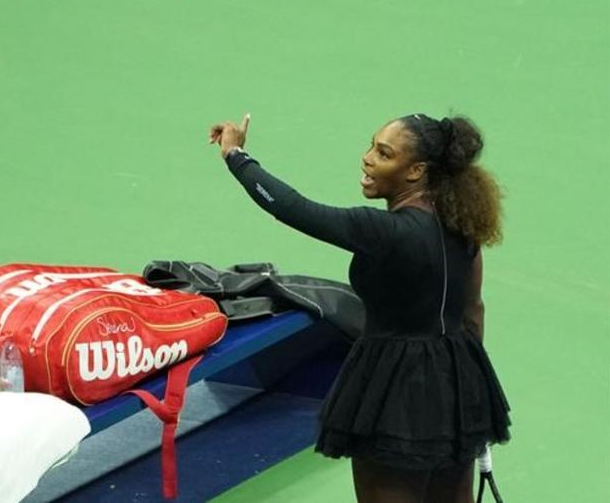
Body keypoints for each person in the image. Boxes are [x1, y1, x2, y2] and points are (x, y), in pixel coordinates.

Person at [209, 113, 510, 503]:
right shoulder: (462, 224)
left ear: (416, 171)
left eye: (384, 154)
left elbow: (293, 208)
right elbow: (473, 312)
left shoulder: (383, 231)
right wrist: (471, 404)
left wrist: (236, 155)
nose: (367, 158)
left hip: (393, 391)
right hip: (456, 386)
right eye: (372, 146)